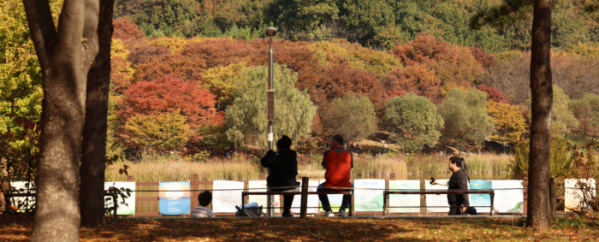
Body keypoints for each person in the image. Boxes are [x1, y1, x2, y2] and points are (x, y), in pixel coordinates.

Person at [261, 135, 299, 217]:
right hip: (290, 186)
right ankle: (286, 212)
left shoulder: (274, 156)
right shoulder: (293, 156)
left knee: (286, 184)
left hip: (274, 185)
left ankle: (283, 212)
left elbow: (263, 162)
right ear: (289, 146)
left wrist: (269, 154)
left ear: (278, 146)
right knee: (291, 186)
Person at [318, 134, 353, 217]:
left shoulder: (327, 153)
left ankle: (328, 210)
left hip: (330, 185)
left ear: (334, 142)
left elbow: (324, 166)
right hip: (345, 185)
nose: (329, 143)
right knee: (351, 187)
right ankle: (342, 210)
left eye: (330, 141)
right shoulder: (349, 153)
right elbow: (350, 167)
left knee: (320, 188)